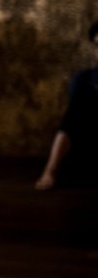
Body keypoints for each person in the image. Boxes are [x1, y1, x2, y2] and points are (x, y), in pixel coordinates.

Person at [36, 20, 98, 190]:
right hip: (85, 147)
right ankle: (50, 171)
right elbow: (73, 121)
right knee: (78, 107)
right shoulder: (83, 78)